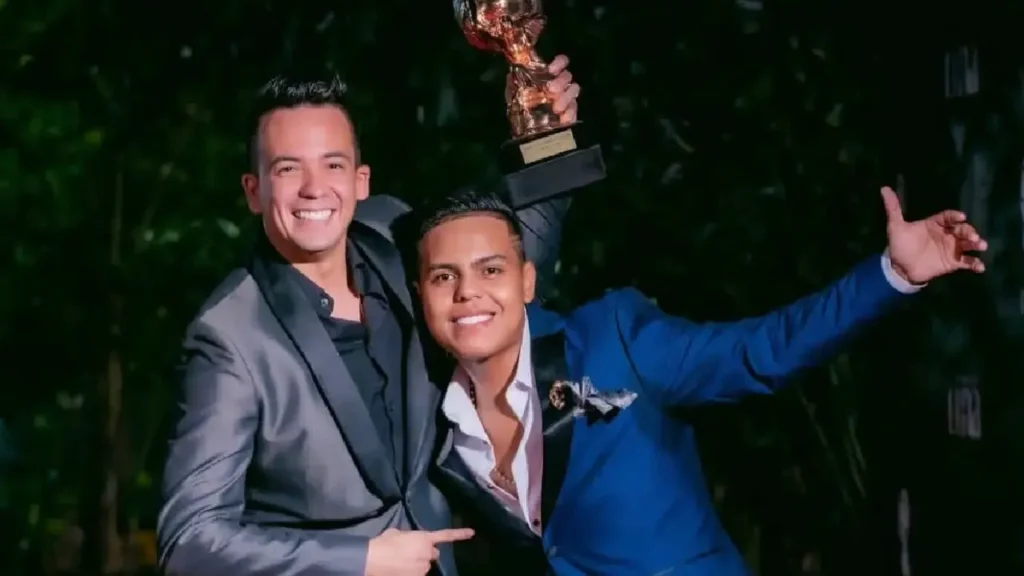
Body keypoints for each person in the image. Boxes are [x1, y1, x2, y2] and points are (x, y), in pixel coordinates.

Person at [413, 188, 987, 575]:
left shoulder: (613, 340)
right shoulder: (438, 430)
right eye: (444, 277)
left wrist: (892, 275)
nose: (468, 293)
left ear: (527, 280)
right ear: (423, 294)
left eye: (491, 269)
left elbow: (759, 353)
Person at [155, 58, 580, 576]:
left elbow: (502, 267)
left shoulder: (391, 232)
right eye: (288, 169)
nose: (314, 188)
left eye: (332, 165)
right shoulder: (229, 336)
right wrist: (360, 559)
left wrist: (547, 140)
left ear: (360, 180)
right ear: (253, 190)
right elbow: (190, 541)